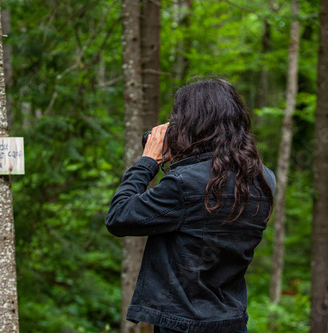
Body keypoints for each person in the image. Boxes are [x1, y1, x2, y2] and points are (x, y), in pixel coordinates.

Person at [106, 78, 276, 333]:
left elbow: (119, 217)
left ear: (193, 124)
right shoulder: (264, 179)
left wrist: (148, 162)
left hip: (183, 324)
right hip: (232, 320)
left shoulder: (185, 184)